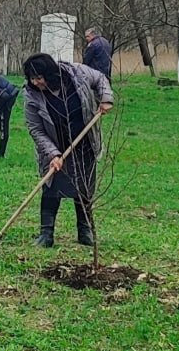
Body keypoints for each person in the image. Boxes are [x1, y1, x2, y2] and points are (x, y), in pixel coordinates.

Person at [21, 52, 114, 248]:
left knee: (84, 188)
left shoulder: (77, 73)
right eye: (31, 78)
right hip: (56, 146)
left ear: (50, 73)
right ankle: (46, 234)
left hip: (84, 142)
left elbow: (100, 78)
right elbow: (36, 129)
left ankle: (85, 231)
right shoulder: (31, 95)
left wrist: (106, 98)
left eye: (39, 77)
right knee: (51, 188)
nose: (35, 82)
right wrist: (53, 154)